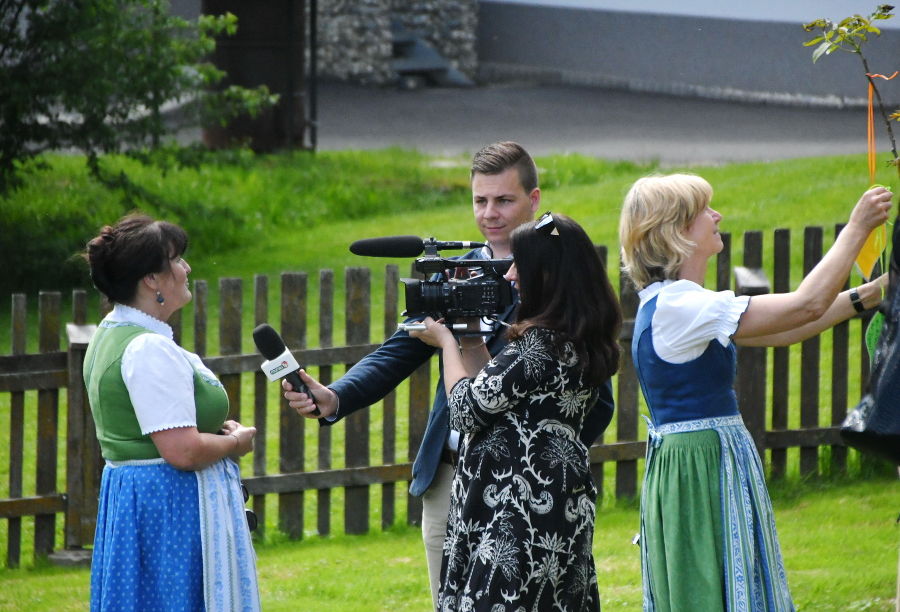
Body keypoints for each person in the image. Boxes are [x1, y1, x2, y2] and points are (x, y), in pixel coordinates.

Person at [284, 141, 616, 606]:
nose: (490, 213)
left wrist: (543, 459)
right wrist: (336, 396)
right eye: (480, 201)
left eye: (504, 200)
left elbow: (596, 403)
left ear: (533, 200)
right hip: (451, 478)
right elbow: (397, 350)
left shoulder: (555, 281)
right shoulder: (455, 274)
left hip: (528, 499)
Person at [618, 174, 892, 611]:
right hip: (701, 464)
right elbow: (806, 303)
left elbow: (788, 328)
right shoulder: (680, 307)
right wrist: (857, 227)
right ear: (676, 231)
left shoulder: (676, 302)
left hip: (701, 457)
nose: (716, 216)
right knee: (709, 586)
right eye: (704, 210)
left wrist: (874, 293)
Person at [409, 212, 622, 611]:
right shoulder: (578, 339)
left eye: (517, 265)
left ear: (545, 274)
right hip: (555, 501)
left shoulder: (538, 346)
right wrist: (471, 337)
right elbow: (495, 397)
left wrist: (447, 344)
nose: (508, 276)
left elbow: (468, 410)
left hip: (512, 510)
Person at [83, 214, 261, 612]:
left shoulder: (113, 332)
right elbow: (182, 452)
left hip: (143, 502)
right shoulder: (147, 348)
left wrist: (214, 429)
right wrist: (235, 442)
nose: (186, 268)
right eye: (177, 260)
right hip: (167, 509)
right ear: (152, 280)